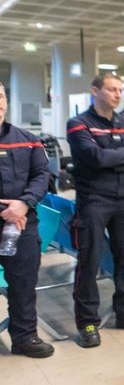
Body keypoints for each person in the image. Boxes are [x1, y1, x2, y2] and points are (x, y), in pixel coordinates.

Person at [67, 75, 124, 348]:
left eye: (120, 90)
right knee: (89, 261)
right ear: (95, 91)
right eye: (111, 89)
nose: (117, 94)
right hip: (94, 200)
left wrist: (113, 157)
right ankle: (87, 322)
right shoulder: (78, 123)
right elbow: (93, 158)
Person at [0, 82, 54, 358]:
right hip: (9, 216)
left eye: (0, 96)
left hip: (21, 222)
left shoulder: (27, 139)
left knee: (23, 282)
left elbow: (42, 174)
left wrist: (23, 203)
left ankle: (25, 337)